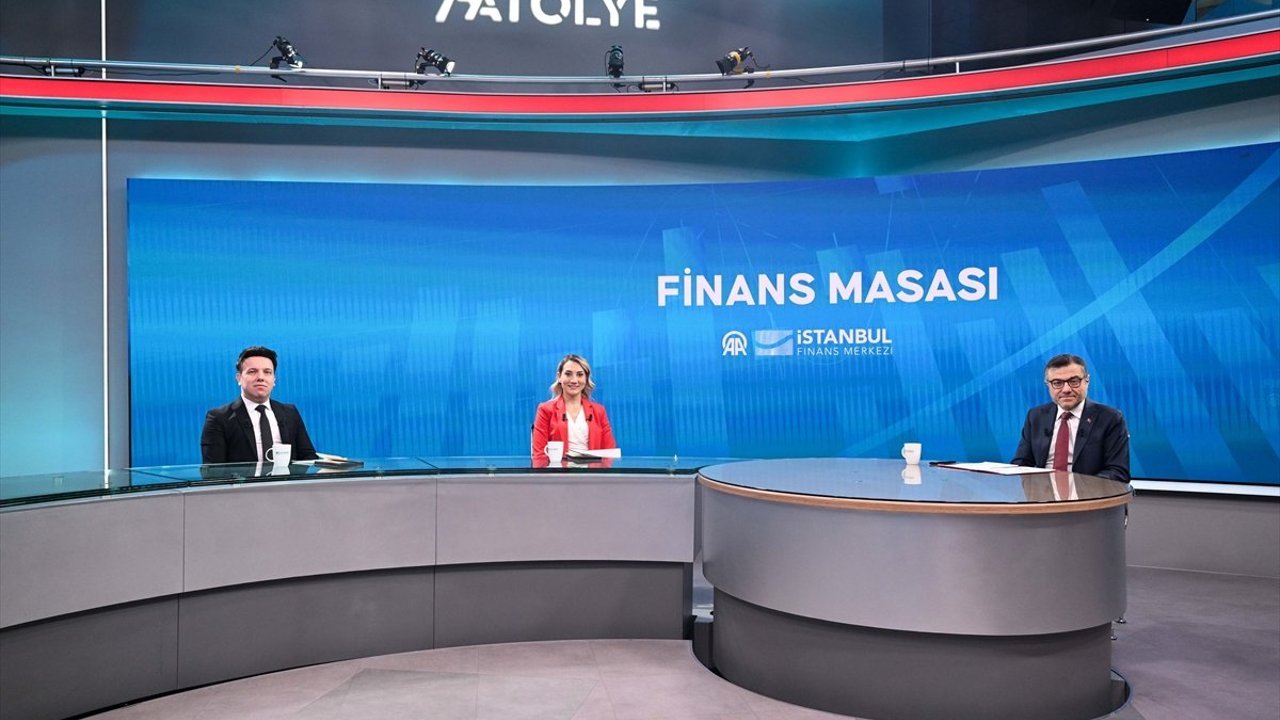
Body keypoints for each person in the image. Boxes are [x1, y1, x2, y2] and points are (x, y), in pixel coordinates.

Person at [1011, 353, 1130, 483]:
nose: (1066, 389)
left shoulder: (1110, 418)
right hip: (1042, 492)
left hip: (1088, 492)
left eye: (1074, 382)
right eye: (1057, 383)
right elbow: (1021, 464)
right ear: (1048, 385)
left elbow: (1118, 472)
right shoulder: (1035, 416)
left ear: (1087, 381)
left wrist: (1076, 488)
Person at [200, 346, 318, 464]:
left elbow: (308, 457)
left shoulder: (290, 413)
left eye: (267, 372)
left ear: (274, 379)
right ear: (239, 378)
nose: (260, 377)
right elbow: (212, 469)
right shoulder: (219, 418)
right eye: (252, 371)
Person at [531, 354, 617, 466]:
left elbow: (609, 451)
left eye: (580, 375)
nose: (574, 380)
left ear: (586, 379)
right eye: (568, 374)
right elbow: (539, 455)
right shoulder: (545, 410)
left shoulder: (599, 411)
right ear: (559, 377)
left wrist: (600, 474)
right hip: (558, 474)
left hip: (592, 474)